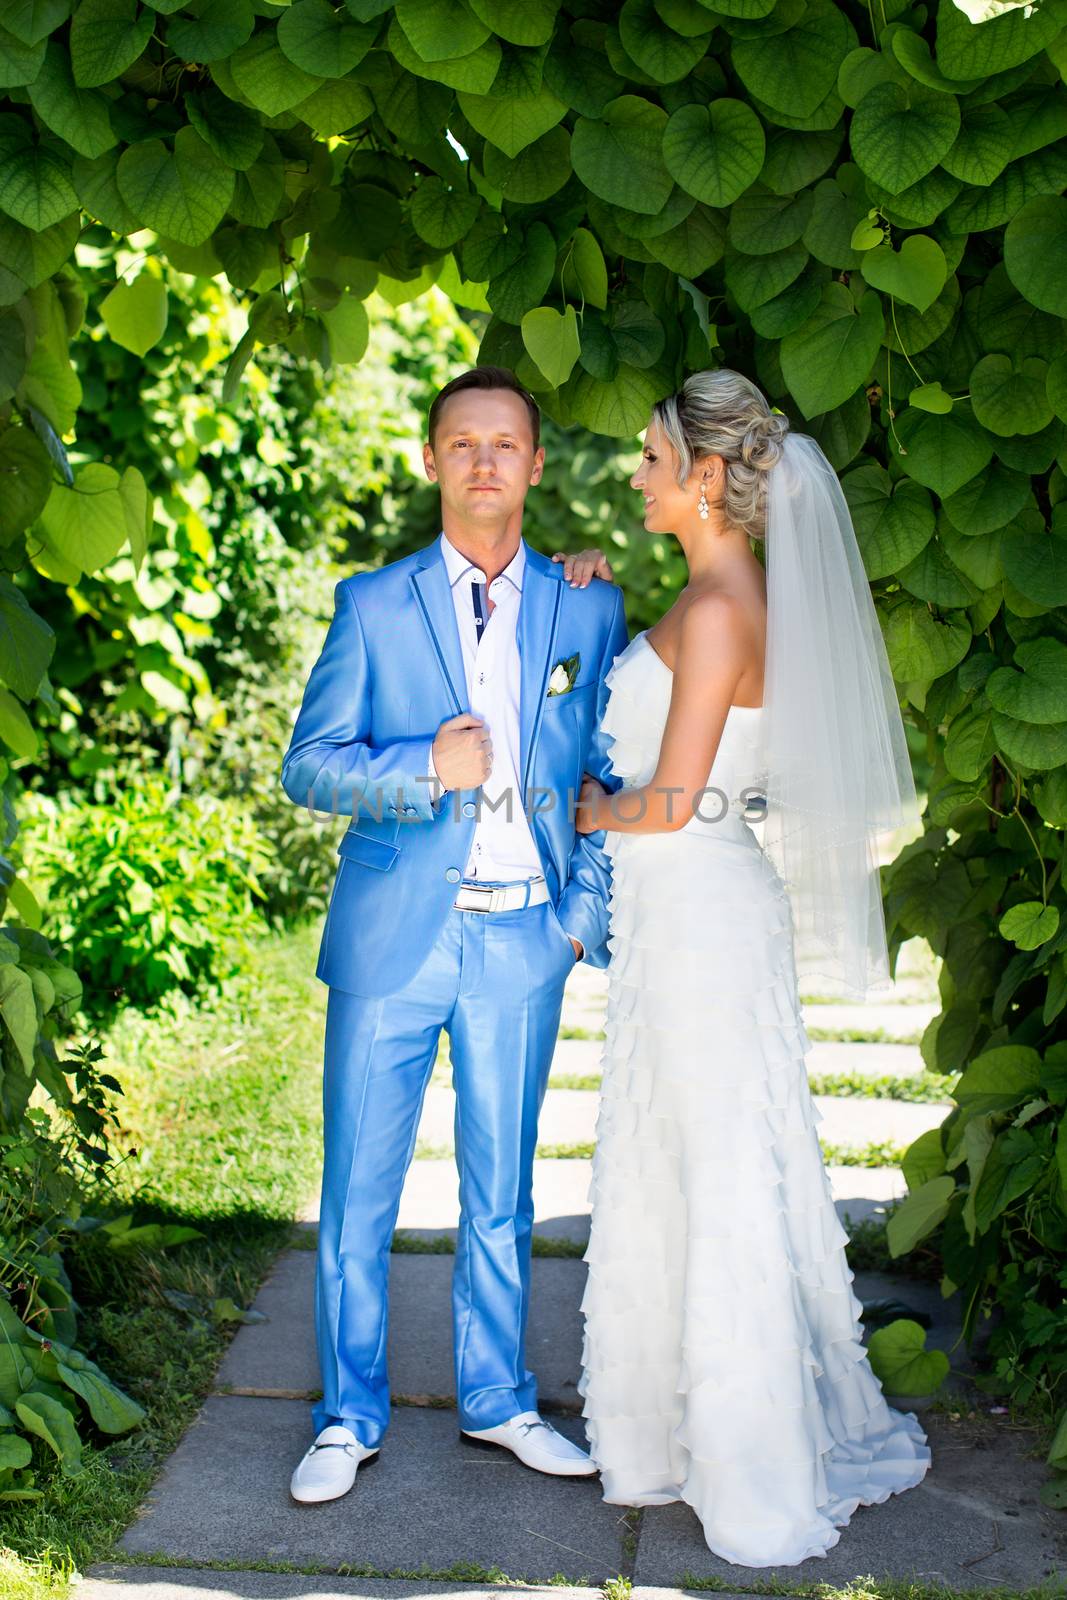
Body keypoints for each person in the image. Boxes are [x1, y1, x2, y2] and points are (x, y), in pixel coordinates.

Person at [555, 367, 931, 1566]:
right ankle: (673, 1429)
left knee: (717, 1165)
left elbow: (668, 799)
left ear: (706, 477)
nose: (639, 473)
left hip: (703, 907)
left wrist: (587, 809)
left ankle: (747, 1460)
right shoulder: (707, 593)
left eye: (654, 457)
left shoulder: (720, 609)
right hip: (690, 916)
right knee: (688, 1151)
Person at [280, 365, 628, 1503]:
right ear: (431, 461)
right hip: (392, 940)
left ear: (533, 465)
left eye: (505, 443)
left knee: (500, 1191)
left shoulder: (588, 604)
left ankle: (497, 1399)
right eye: (461, 442)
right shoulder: (371, 605)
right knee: (359, 1190)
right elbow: (309, 766)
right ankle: (346, 1415)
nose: (484, 460)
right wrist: (419, 767)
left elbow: (603, 774)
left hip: (523, 938)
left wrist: (577, 921)